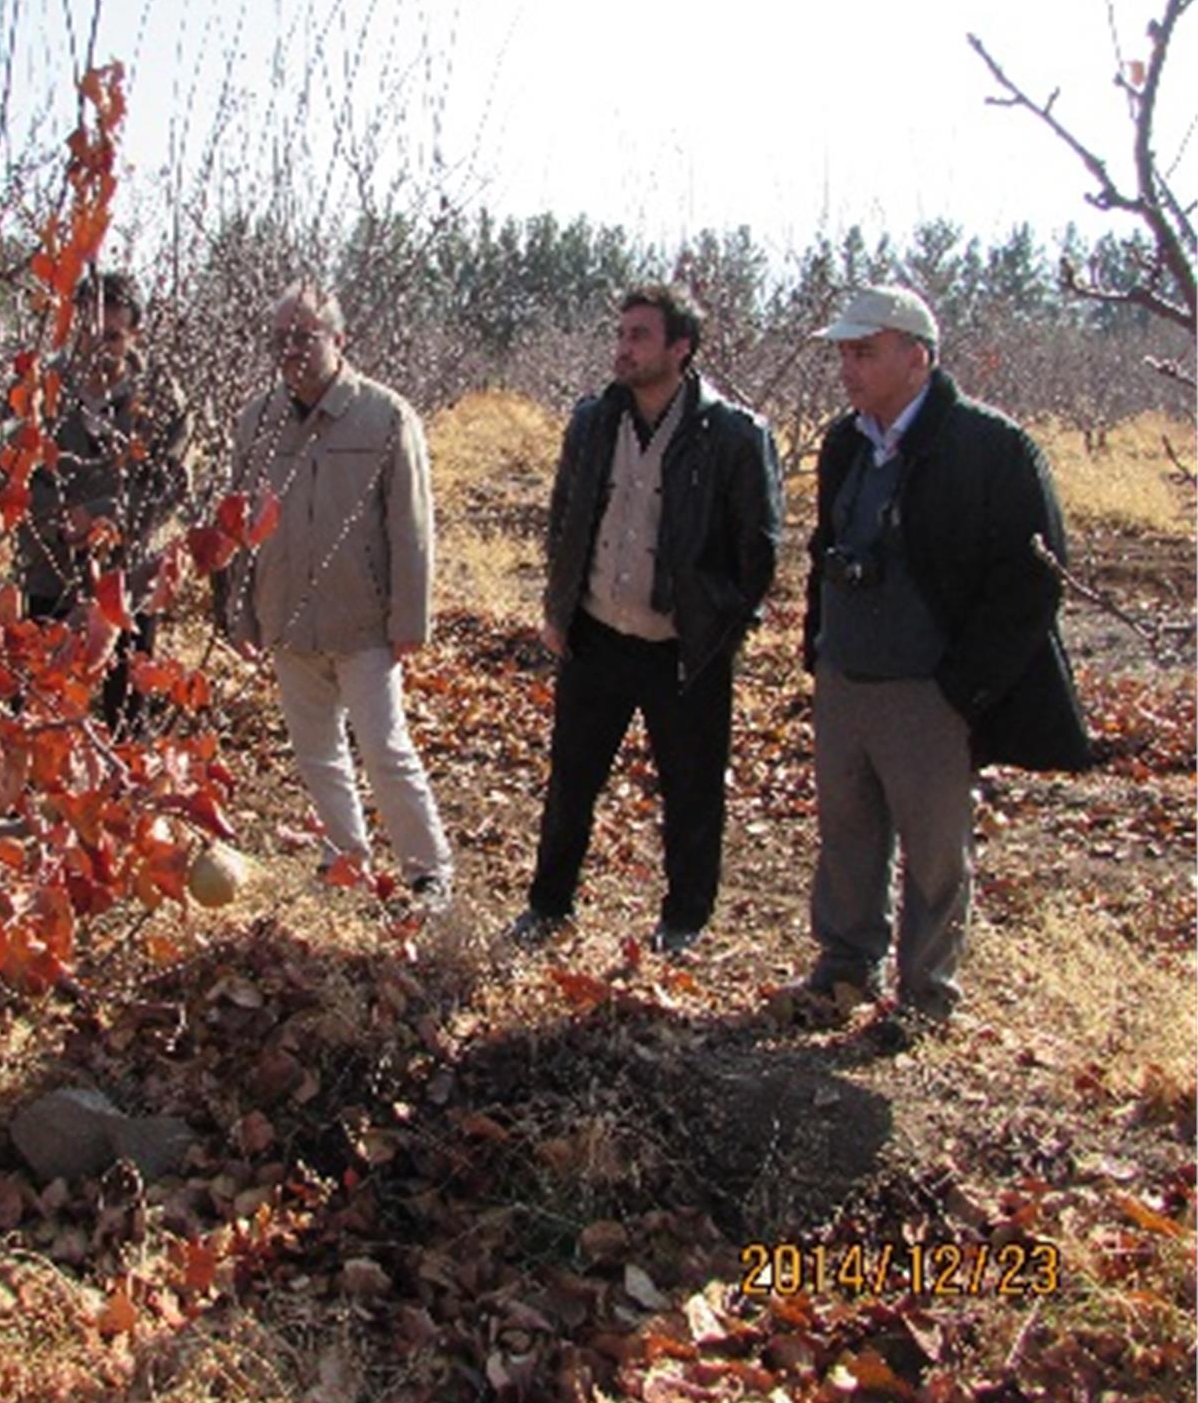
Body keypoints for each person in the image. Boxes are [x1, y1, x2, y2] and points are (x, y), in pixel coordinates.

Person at [803, 283, 1091, 1027]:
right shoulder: (845, 443)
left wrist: (964, 688)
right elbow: (822, 552)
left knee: (935, 856)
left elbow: (1034, 577)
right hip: (848, 679)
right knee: (847, 837)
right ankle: (843, 971)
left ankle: (926, 998)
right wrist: (820, 651)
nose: (848, 368)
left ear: (917, 356)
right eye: (843, 352)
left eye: (864, 352)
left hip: (929, 692)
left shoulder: (990, 447)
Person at [508, 283, 783, 952]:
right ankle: (548, 908)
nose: (624, 348)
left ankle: (683, 923)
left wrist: (718, 627)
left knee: (691, 795)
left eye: (640, 336)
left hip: (682, 649)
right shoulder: (594, 420)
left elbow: (759, 547)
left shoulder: (734, 436)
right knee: (571, 783)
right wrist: (559, 607)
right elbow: (566, 517)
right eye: (621, 334)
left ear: (680, 349)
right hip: (596, 636)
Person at [219, 281, 452, 911]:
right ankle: (343, 857)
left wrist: (409, 618)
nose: (292, 350)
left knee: (384, 749)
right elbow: (238, 526)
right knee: (317, 753)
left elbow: (411, 525)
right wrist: (239, 610)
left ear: (339, 339)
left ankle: (427, 872)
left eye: (306, 336)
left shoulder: (385, 416)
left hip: (364, 623)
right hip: (286, 619)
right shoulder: (255, 420)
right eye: (281, 339)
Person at [15, 270, 189, 735]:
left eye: (112, 336)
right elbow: (13, 468)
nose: (98, 347)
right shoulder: (42, 388)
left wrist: (105, 517)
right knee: (35, 700)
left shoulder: (161, 399)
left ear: (135, 334)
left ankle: (125, 798)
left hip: (128, 576)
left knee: (128, 709)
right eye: (89, 334)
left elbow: (168, 483)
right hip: (49, 566)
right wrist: (57, 518)